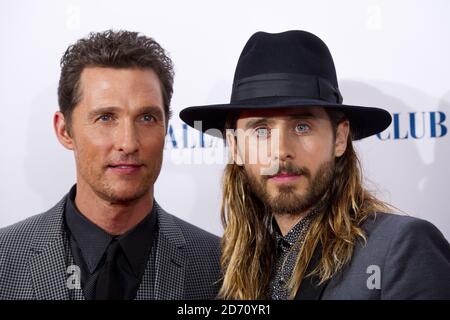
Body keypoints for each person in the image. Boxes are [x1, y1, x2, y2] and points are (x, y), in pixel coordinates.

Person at [180, 30, 450, 299]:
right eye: (261, 130)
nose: (282, 151)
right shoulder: (230, 272)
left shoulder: (402, 248)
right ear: (236, 147)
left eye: (301, 126)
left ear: (340, 138)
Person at [0, 30, 221, 300]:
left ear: (165, 128)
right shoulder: (4, 257)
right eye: (106, 118)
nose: (128, 143)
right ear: (64, 130)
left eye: (147, 118)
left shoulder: (221, 266)